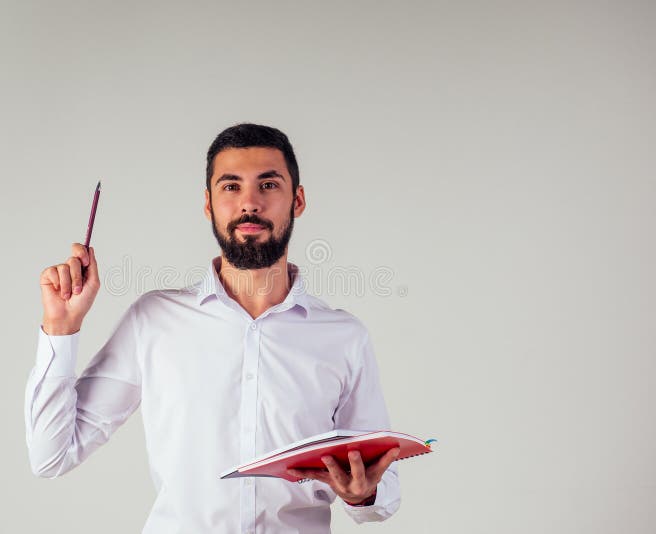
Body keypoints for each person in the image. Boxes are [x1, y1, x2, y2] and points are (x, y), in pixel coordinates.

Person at [25, 123, 402, 533]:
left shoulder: (343, 337)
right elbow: (52, 455)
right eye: (230, 187)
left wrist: (363, 494)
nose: (250, 203)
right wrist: (61, 328)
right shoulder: (153, 320)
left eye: (269, 185)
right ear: (208, 204)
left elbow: (385, 493)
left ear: (298, 200)